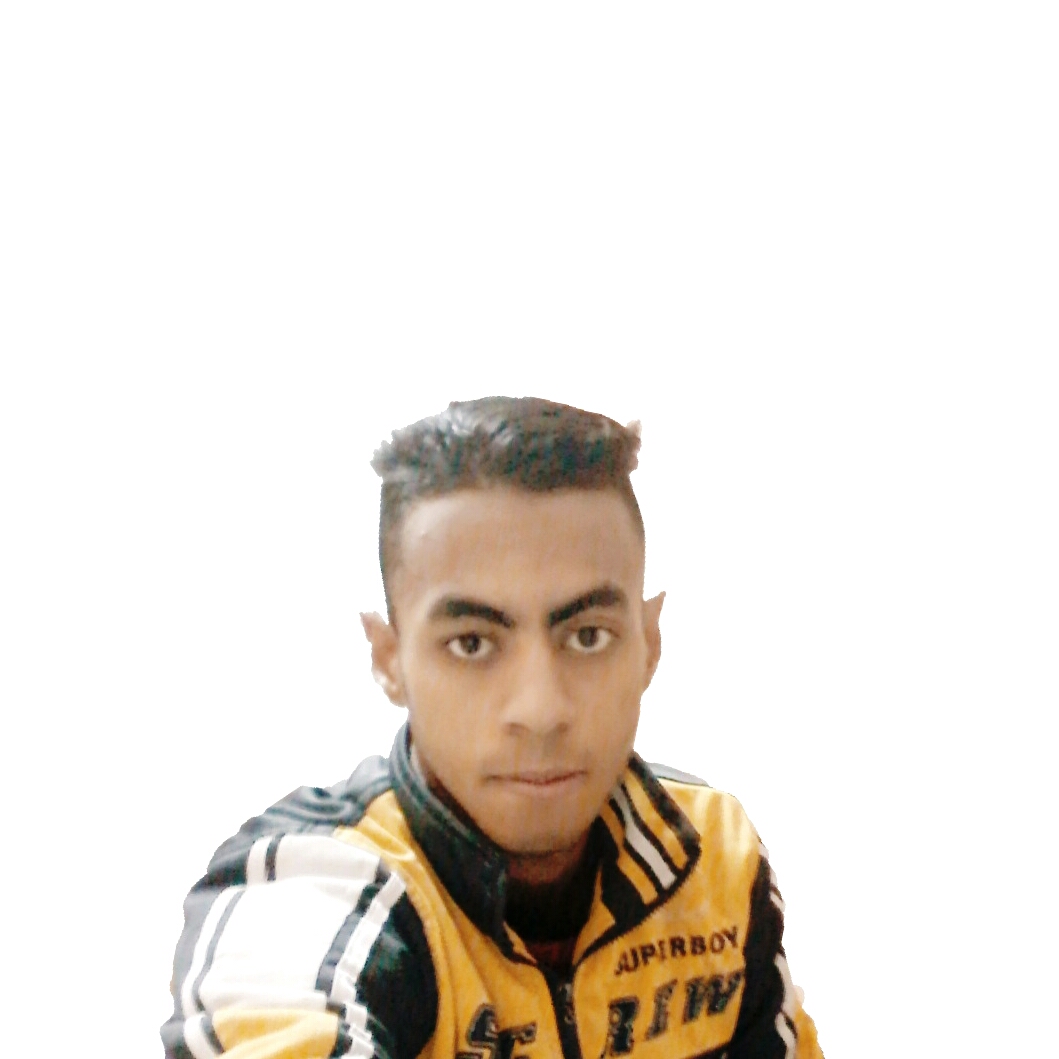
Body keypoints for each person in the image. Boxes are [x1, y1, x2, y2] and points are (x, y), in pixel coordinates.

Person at [162, 396, 823, 1059]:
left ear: (649, 644)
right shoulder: (305, 892)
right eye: (472, 643)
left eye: (587, 635)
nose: (540, 710)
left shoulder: (713, 857)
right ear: (388, 659)